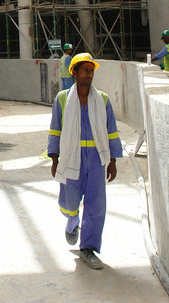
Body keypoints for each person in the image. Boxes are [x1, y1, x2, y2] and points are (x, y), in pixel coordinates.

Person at [47, 53, 122, 269]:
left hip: (97, 159)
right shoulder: (62, 99)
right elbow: (55, 130)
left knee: (96, 206)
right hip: (71, 157)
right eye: (85, 70)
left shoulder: (103, 100)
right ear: (75, 73)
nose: (89, 75)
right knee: (70, 200)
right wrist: (54, 158)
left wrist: (113, 160)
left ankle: (88, 249)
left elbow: (111, 131)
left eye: (91, 71)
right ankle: (72, 221)